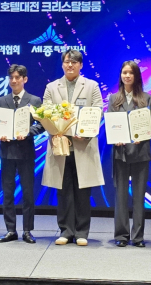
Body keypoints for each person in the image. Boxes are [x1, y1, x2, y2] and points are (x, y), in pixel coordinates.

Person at [42, 49, 105, 247]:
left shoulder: (92, 86)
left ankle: (81, 232)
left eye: (74, 62)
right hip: (60, 146)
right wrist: (56, 129)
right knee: (63, 191)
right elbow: (45, 113)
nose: (70, 65)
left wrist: (85, 132)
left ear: (81, 65)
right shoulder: (52, 87)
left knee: (83, 191)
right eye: (67, 62)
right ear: (62, 64)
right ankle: (65, 231)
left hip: (82, 144)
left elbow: (98, 111)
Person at [107, 60, 151, 248]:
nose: (127, 76)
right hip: (121, 152)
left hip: (141, 152)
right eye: (124, 72)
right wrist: (115, 137)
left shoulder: (146, 98)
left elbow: (150, 124)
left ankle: (138, 237)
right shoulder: (113, 99)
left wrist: (143, 134)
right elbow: (110, 124)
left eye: (130, 73)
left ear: (136, 76)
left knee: (139, 196)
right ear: (120, 75)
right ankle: (122, 235)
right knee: (120, 196)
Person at [0, 64, 43, 244]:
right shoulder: (2, 100)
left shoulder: (34, 100)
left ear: (25, 79)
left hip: (26, 151)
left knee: (28, 193)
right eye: (11, 78)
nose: (14, 81)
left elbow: (41, 125)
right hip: (6, 151)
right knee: (7, 193)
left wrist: (28, 132)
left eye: (17, 77)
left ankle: (27, 230)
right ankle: (10, 230)